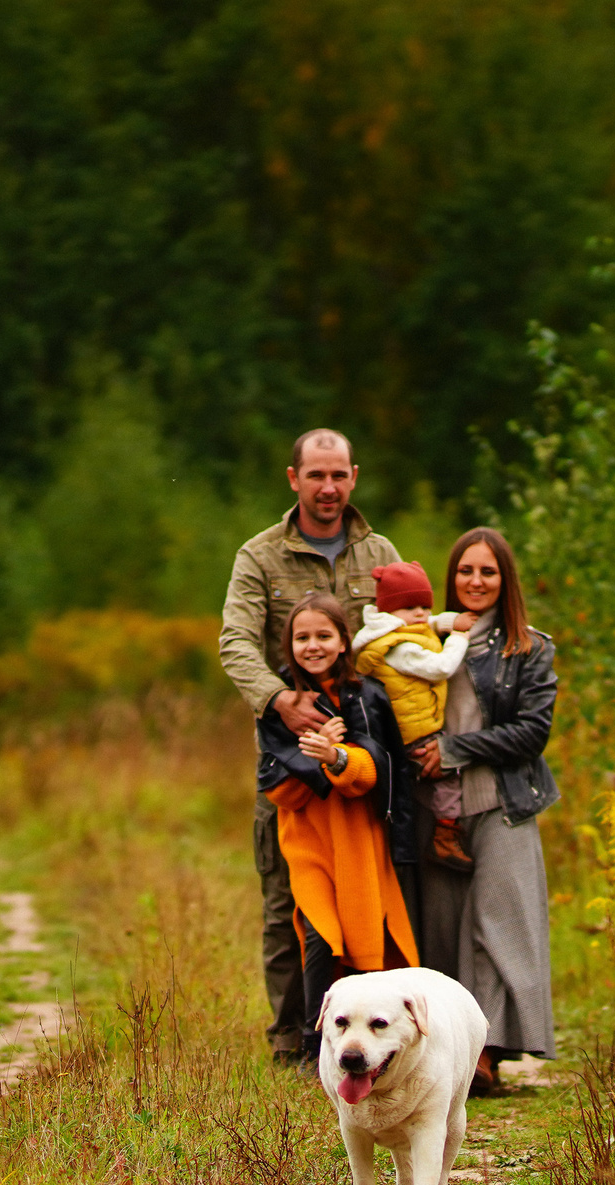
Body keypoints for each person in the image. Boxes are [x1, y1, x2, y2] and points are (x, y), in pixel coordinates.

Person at [219, 429, 409, 1066]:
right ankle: (292, 1044)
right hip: (292, 766)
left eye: (339, 476)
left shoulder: (379, 551)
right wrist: (280, 699)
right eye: (315, 476)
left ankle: (373, 1042)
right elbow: (236, 643)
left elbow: (404, 642)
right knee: (287, 907)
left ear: (354, 476)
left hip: (366, 767)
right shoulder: (260, 556)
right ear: (293, 478)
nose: (328, 488)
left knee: (373, 903)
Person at [410, 528, 559, 1095]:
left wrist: (454, 750)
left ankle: (486, 1055)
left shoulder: (530, 647)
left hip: (502, 800)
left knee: (494, 926)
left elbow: (531, 733)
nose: (475, 581)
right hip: (434, 806)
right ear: (452, 578)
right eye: (466, 571)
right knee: (443, 928)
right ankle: (444, 1056)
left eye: (488, 572)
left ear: (505, 580)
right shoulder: (422, 639)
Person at [257, 592, 418, 1060]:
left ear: (344, 641)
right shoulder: (279, 704)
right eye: (302, 637)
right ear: (288, 645)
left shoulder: (368, 695)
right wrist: (316, 760)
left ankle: (378, 1043)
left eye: (324, 635)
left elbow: (380, 771)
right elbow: (278, 788)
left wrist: (339, 758)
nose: (313, 646)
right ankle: (314, 1044)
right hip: (308, 843)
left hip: (358, 841)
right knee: (319, 935)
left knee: (365, 939)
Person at [351, 560, 473, 874]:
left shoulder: (398, 629)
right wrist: (460, 635)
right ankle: (445, 835)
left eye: (424, 605)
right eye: (409, 607)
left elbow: (431, 623)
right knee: (447, 775)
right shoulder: (397, 646)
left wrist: (450, 620)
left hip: (410, 727)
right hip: (414, 733)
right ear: (389, 611)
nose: (420, 613)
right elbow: (441, 668)